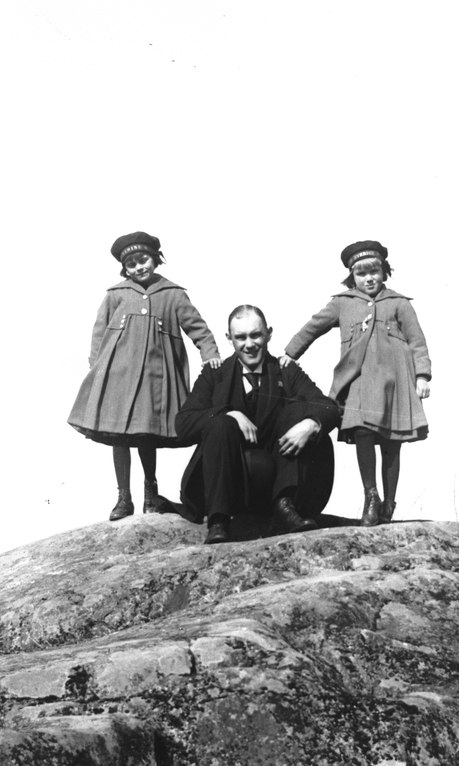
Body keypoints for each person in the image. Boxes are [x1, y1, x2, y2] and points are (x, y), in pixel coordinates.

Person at [68, 231, 221, 521]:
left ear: (156, 259)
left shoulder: (173, 294)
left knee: (145, 432)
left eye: (143, 260)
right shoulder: (115, 294)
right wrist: (96, 367)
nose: (139, 267)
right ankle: (123, 497)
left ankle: (150, 491)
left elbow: (198, 328)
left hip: (154, 378)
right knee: (117, 434)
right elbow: (99, 332)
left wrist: (209, 353)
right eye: (131, 264)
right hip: (117, 377)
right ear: (124, 269)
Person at [282, 240, 430, 526]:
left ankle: (389, 503)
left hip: (394, 385)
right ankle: (371, 496)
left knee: (392, 442)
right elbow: (314, 326)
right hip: (358, 381)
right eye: (361, 274)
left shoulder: (399, 303)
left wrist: (422, 375)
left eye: (374, 271)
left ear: (385, 272)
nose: (369, 278)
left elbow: (417, 341)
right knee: (362, 431)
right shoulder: (343, 303)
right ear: (352, 277)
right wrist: (290, 353)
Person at [175, 305, 340, 544]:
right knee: (220, 423)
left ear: (269, 334)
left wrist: (311, 424)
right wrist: (228, 413)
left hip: (274, 484)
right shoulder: (216, 374)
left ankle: (285, 507)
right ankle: (218, 521)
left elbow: (328, 407)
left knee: (298, 411)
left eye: (256, 335)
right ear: (229, 339)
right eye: (241, 337)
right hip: (230, 488)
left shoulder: (285, 370)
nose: (249, 344)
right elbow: (183, 424)